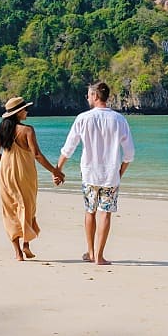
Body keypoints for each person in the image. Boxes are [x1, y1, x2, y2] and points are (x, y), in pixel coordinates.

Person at [56, 81, 135, 265]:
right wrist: (119, 172)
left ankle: (90, 252)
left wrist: (58, 169)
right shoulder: (119, 120)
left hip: (90, 174)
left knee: (89, 211)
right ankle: (99, 256)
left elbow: (69, 148)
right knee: (105, 214)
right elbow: (129, 153)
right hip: (111, 176)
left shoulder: (83, 118)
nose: (87, 98)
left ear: (95, 96)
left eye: (89, 95)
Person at [0, 96, 65, 261]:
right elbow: (37, 155)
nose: (27, 111)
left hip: (5, 173)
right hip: (25, 172)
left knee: (10, 209)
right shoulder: (27, 130)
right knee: (27, 206)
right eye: (24, 109)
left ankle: (18, 253)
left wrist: (8, 161)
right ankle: (26, 244)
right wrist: (55, 171)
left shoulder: (1, 129)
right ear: (18, 113)